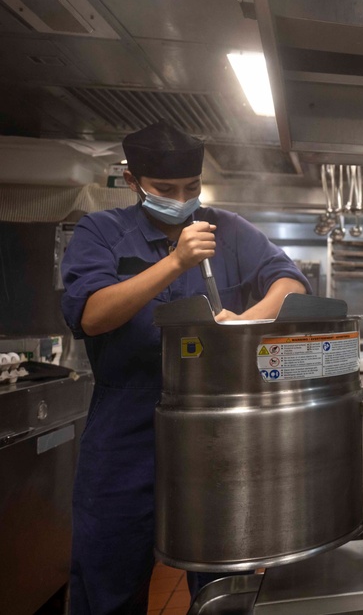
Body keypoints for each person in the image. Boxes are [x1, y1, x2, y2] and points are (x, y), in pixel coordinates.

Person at [61, 121, 310, 614]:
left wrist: (241, 323)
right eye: (165, 189)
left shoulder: (228, 230)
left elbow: (290, 284)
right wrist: (174, 263)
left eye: (190, 188)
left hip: (215, 439)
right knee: (107, 582)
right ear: (133, 182)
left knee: (226, 586)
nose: (181, 199)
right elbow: (91, 314)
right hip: (126, 437)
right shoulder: (101, 232)